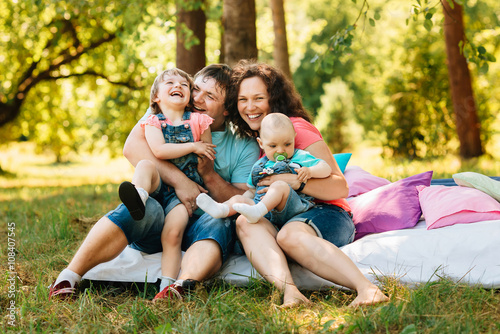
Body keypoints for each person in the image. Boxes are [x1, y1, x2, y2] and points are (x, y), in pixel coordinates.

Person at [48, 64, 260, 301]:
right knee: (140, 209)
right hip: (161, 212)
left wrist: (209, 175)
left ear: (228, 109)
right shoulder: (167, 112)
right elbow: (132, 149)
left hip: (202, 220)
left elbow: (240, 199)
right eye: (196, 89)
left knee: (218, 223)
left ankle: (178, 287)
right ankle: (69, 276)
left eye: (210, 96)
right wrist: (181, 182)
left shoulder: (243, 144)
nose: (198, 99)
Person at [226, 59, 389, 308]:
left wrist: (296, 183)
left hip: (326, 213)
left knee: (290, 235)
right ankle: (291, 294)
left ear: (274, 99)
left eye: (258, 98)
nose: (250, 107)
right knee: (245, 223)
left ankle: (367, 290)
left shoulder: (296, 130)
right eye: (242, 100)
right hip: (285, 216)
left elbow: (340, 187)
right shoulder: (260, 140)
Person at [118, 68, 216, 296]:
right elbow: (159, 151)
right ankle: (139, 197)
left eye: (184, 84)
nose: (178, 86)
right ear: (156, 97)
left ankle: (167, 286)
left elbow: (208, 152)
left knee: (172, 234)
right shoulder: (152, 121)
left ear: (189, 96)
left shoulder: (200, 121)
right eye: (170, 82)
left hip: (182, 195)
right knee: (145, 166)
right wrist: (193, 146)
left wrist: (203, 151)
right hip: (158, 184)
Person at [196, 113, 331, 226]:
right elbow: (252, 191)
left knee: (279, 185)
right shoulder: (259, 166)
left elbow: (326, 168)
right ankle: (221, 209)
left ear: (294, 138)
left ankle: (257, 211)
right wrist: (242, 201)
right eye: (273, 146)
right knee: (240, 198)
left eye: (287, 144)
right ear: (261, 144)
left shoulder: (299, 156)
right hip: (265, 212)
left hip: (293, 208)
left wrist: (310, 171)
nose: (280, 150)